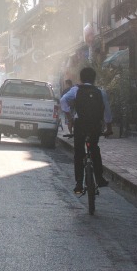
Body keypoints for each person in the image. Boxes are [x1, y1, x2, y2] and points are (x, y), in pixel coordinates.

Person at [60, 67, 112, 195]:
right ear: (94, 79)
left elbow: (63, 100)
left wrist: (69, 119)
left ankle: (78, 183)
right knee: (94, 148)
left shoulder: (76, 89)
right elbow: (107, 112)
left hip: (80, 125)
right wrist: (109, 128)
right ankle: (99, 179)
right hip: (95, 126)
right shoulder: (100, 92)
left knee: (79, 152)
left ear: (81, 79)